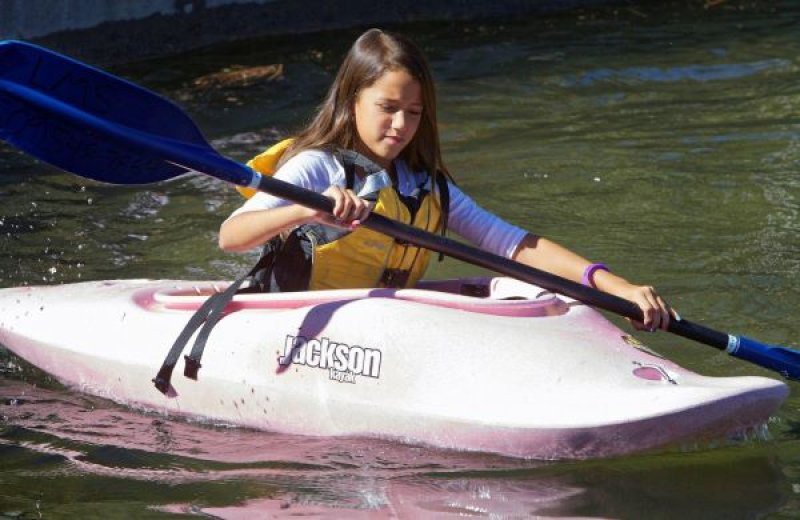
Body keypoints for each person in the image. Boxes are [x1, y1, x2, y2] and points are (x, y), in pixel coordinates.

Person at [219, 28, 671, 331]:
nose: (400, 125)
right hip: (296, 323)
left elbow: (513, 245)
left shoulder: (424, 185)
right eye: (387, 108)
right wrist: (306, 208)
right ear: (352, 101)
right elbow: (231, 237)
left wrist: (617, 287)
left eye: (413, 113)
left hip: (382, 330)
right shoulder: (317, 166)